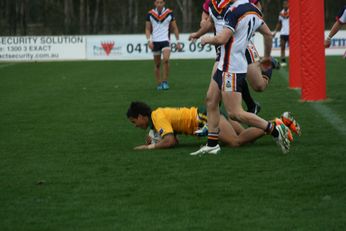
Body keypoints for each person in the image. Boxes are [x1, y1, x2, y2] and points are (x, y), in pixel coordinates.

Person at [191, 1, 292, 155]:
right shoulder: (253, 9)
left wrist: (207, 39)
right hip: (223, 61)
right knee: (211, 100)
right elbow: (267, 33)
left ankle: (276, 129)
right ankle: (212, 144)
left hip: (230, 65)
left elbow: (222, 38)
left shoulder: (233, 11)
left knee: (235, 113)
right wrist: (266, 55)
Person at [126, 101, 300, 151]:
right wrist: (156, 139)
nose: (135, 126)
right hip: (206, 114)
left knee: (235, 142)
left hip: (205, 119)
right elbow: (173, 140)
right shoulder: (156, 118)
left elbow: (170, 141)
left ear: (141, 116)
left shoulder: (157, 117)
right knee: (247, 137)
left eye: (134, 122)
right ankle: (281, 122)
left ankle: (275, 124)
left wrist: (148, 147)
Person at [145, 0, 182, 90]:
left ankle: (165, 81)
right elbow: (147, 29)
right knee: (157, 64)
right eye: (157, 2)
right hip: (155, 41)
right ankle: (159, 83)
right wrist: (149, 40)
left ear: (164, 3)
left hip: (165, 40)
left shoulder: (169, 13)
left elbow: (175, 28)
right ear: (155, 3)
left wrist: (178, 41)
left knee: (165, 60)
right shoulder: (150, 14)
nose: (159, 4)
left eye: (161, 2)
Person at [272, 0, 289, 67]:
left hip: (291, 33)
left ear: (288, 4)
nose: (285, 5)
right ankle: (283, 60)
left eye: (286, 4)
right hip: (283, 32)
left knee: (293, 48)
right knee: (282, 47)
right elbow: (279, 23)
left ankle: (294, 60)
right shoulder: (281, 13)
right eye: (284, 4)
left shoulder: (292, 11)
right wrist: (275, 31)